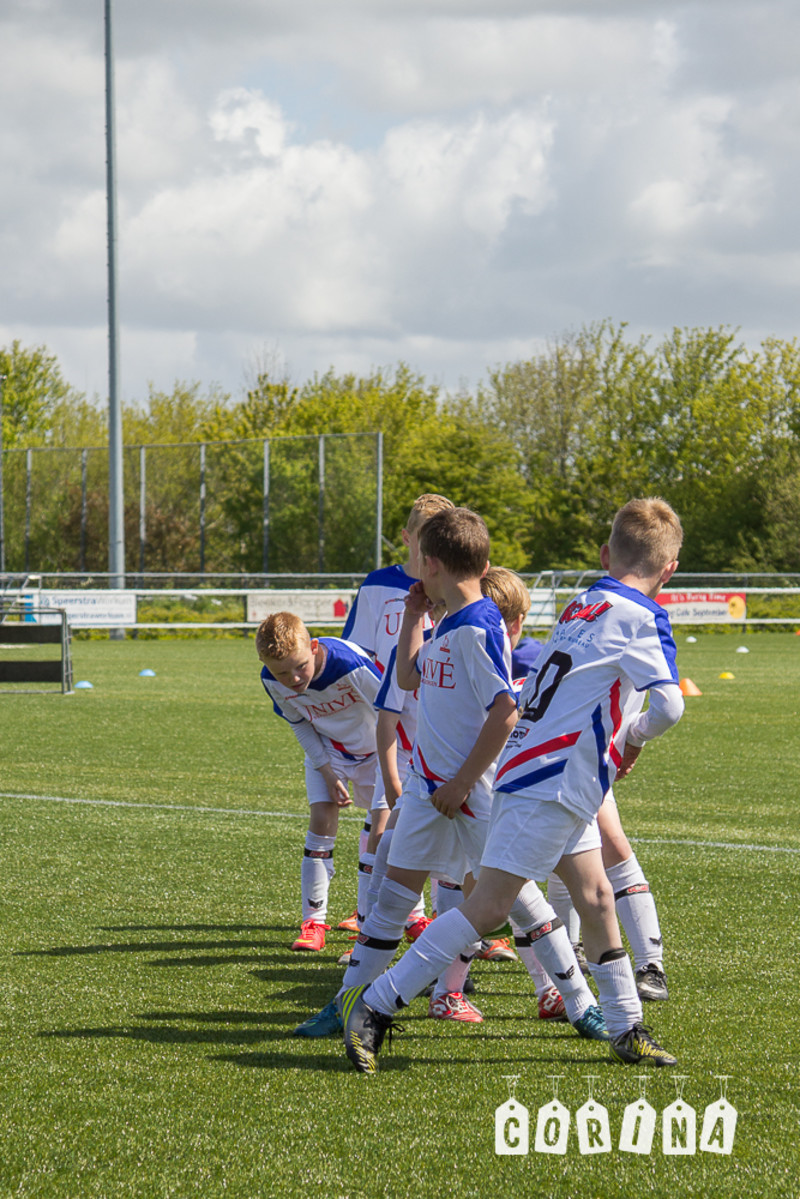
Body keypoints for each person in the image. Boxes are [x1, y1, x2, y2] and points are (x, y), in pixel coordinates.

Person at [339, 497, 685, 1072]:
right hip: (551, 778)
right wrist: (632, 740)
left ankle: (627, 1027)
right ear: (668, 571)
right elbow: (669, 706)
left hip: (551, 772)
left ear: (606, 554)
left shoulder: (582, 603)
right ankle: (373, 1006)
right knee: (489, 908)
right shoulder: (641, 615)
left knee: (596, 898)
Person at [339, 493, 454, 940]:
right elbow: (357, 653)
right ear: (407, 537)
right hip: (390, 719)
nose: (431, 547)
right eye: (425, 536)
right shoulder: (378, 585)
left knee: (444, 820)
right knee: (385, 817)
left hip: (441, 721)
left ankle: (451, 920)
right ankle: (374, 919)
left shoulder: (457, 589)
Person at [257, 611, 381, 951]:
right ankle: (313, 923)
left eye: (300, 666)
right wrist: (327, 770)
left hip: (380, 750)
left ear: (313, 647)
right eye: (282, 673)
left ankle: (371, 922)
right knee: (320, 828)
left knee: (383, 835)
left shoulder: (350, 665)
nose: (294, 679)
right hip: (327, 752)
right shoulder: (271, 681)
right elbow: (299, 724)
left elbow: (392, 712)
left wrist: (392, 766)